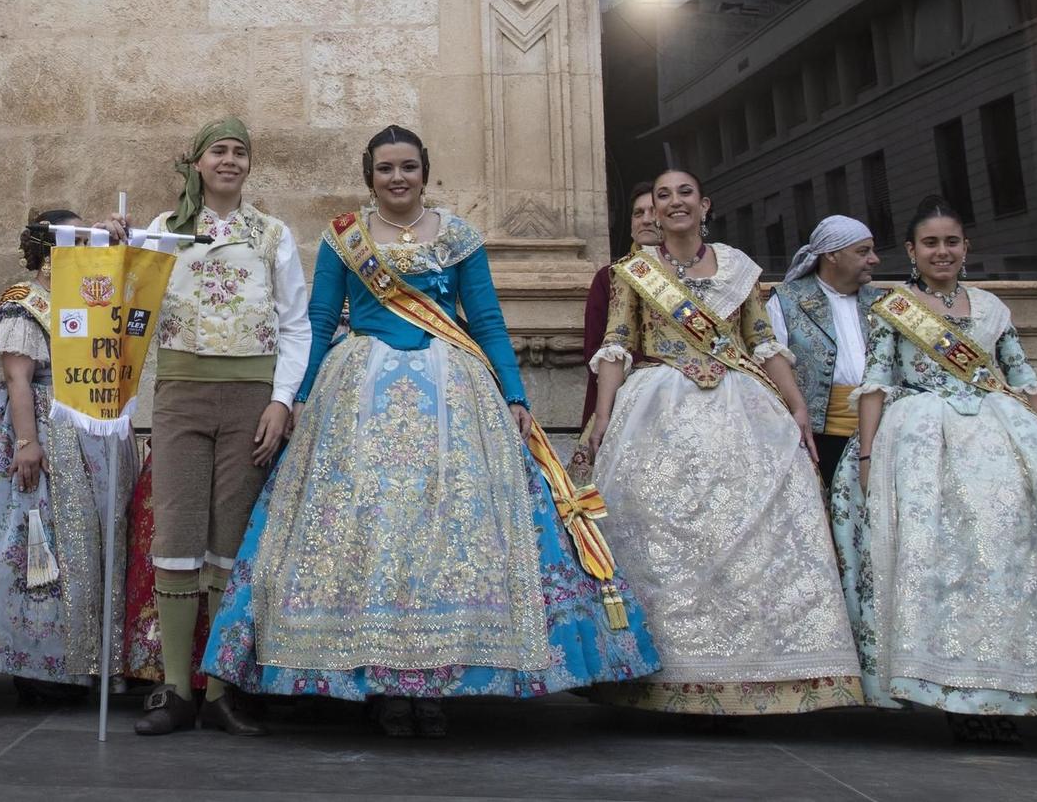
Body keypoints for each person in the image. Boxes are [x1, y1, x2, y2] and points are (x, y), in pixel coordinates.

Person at [203, 127, 657, 738]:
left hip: (455, 394)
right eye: (386, 168)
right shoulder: (345, 238)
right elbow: (318, 319)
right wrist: (301, 397)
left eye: (409, 167)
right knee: (372, 530)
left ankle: (438, 684)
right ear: (370, 176)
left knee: (450, 530)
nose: (398, 177)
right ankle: (383, 686)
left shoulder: (460, 236)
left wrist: (515, 395)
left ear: (425, 172)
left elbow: (489, 319)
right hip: (359, 394)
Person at [584, 167, 861, 715]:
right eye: (662, 196)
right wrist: (601, 418)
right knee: (662, 532)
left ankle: (757, 676)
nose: (674, 202)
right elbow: (616, 345)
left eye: (684, 193)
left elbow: (761, 341)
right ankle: (667, 674)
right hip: (659, 407)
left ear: (705, 204)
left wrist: (797, 405)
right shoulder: (631, 273)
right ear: (654, 211)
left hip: (743, 408)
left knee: (753, 534)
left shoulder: (738, 268)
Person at [830, 195, 1037, 741]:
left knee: (1008, 563)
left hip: (1001, 439)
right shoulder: (893, 310)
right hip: (925, 445)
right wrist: (868, 457)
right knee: (946, 566)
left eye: (951, 241)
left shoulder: (992, 309)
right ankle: (956, 696)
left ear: (966, 248)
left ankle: (1007, 692)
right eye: (930, 243)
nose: (942, 251)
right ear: (911, 251)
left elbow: (1022, 379)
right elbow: (875, 384)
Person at [133, 117, 310, 738]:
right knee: (178, 528)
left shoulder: (272, 235)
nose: (229, 161)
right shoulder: (165, 230)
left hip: (250, 400)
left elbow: (295, 323)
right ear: (198, 163)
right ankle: (175, 686)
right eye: (219, 151)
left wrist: (281, 402)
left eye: (239, 152)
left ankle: (219, 690)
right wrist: (114, 249)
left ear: (249, 166)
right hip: (181, 394)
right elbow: (129, 301)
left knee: (229, 537)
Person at [0, 211, 136, 703]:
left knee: (86, 540)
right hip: (37, 422)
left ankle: (86, 656)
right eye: (76, 238)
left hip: (86, 425)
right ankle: (33, 659)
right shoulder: (25, 301)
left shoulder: (85, 294)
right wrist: (26, 441)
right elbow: (18, 377)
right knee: (31, 538)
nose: (86, 244)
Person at [766, 215, 884, 486]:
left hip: (881, 431)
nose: (874, 259)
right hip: (818, 437)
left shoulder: (883, 303)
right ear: (832, 254)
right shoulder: (786, 301)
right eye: (863, 251)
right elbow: (771, 365)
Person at [569, 183, 656, 480]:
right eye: (638, 213)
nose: (645, 219)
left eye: (653, 211)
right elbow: (594, 346)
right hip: (622, 398)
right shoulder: (610, 277)